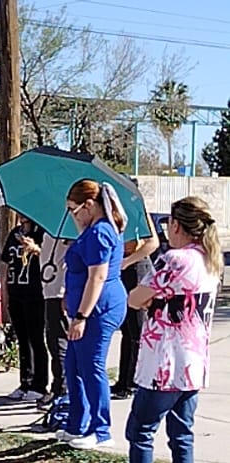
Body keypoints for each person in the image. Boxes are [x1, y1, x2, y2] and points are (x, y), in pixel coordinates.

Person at [98, 196, 221, 463]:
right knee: (182, 434)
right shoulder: (210, 260)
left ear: (177, 226)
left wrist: (151, 300)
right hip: (193, 363)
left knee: (141, 430)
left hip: (164, 362)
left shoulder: (175, 259)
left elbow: (136, 297)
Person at [58, 179, 128, 449]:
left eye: (73, 209)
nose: (72, 215)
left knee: (91, 365)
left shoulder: (101, 233)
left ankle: (101, 430)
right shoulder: (91, 230)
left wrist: (81, 317)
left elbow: (97, 277)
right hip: (85, 306)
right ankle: (77, 423)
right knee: (73, 365)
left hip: (99, 309)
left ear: (89, 205)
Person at [113, 213, 160, 399]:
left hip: (136, 266)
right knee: (127, 329)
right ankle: (123, 380)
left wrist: (127, 261)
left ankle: (134, 382)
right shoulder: (116, 213)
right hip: (122, 267)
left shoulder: (138, 211)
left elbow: (152, 243)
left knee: (137, 330)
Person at [1, 214, 47, 401]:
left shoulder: (41, 233)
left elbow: (51, 259)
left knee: (36, 339)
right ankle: (25, 382)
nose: (21, 217)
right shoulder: (14, 234)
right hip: (16, 292)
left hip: (35, 294)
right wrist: (4, 292)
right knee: (22, 340)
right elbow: (5, 263)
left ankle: (39, 384)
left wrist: (35, 249)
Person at [39, 230, 69, 400]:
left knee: (59, 342)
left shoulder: (67, 229)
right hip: (50, 289)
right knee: (53, 342)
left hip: (60, 291)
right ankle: (59, 385)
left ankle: (62, 388)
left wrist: (67, 292)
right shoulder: (50, 229)